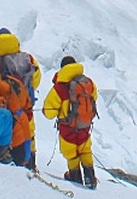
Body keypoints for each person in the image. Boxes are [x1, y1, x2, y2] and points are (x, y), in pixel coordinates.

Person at [0, 29, 40, 168]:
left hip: (4, 107)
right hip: (25, 107)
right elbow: (36, 79)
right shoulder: (28, 59)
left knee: (10, 131)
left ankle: (8, 157)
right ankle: (30, 163)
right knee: (29, 132)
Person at [43, 56, 99, 188]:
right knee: (85, 150)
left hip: (68, 126)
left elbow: (49, 112)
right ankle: (90, 177)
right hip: (84, 124)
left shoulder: (60, 87)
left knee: (71, 153)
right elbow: (93, 97)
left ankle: (75, 178)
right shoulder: (88, 82)